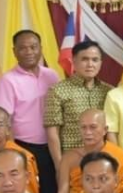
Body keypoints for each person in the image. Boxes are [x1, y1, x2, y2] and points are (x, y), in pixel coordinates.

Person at [0, 30, 61, 193]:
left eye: (33, 47)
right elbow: (4, 120)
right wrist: (14, 152)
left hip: (53, 146)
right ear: (14, 51)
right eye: (23, 48)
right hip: (24, 148)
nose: (29, 52)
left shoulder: (51, 75)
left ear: (41, 48)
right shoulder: (8, 80)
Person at [44, 39, 112, 171]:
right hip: (72, 161)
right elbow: (52, 133)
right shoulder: (58, 91)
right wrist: (60, 166)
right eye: (84, 59)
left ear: (101, 63)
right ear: (74, 62)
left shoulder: (108, 91)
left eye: (95, 60)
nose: (90, 64)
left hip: (102, 161)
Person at [54, 109, 123, 193]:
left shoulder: (121, 157)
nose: (88, 132)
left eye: (93, 127)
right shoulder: (69, 158)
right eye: (83, 127)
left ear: (105, 130)